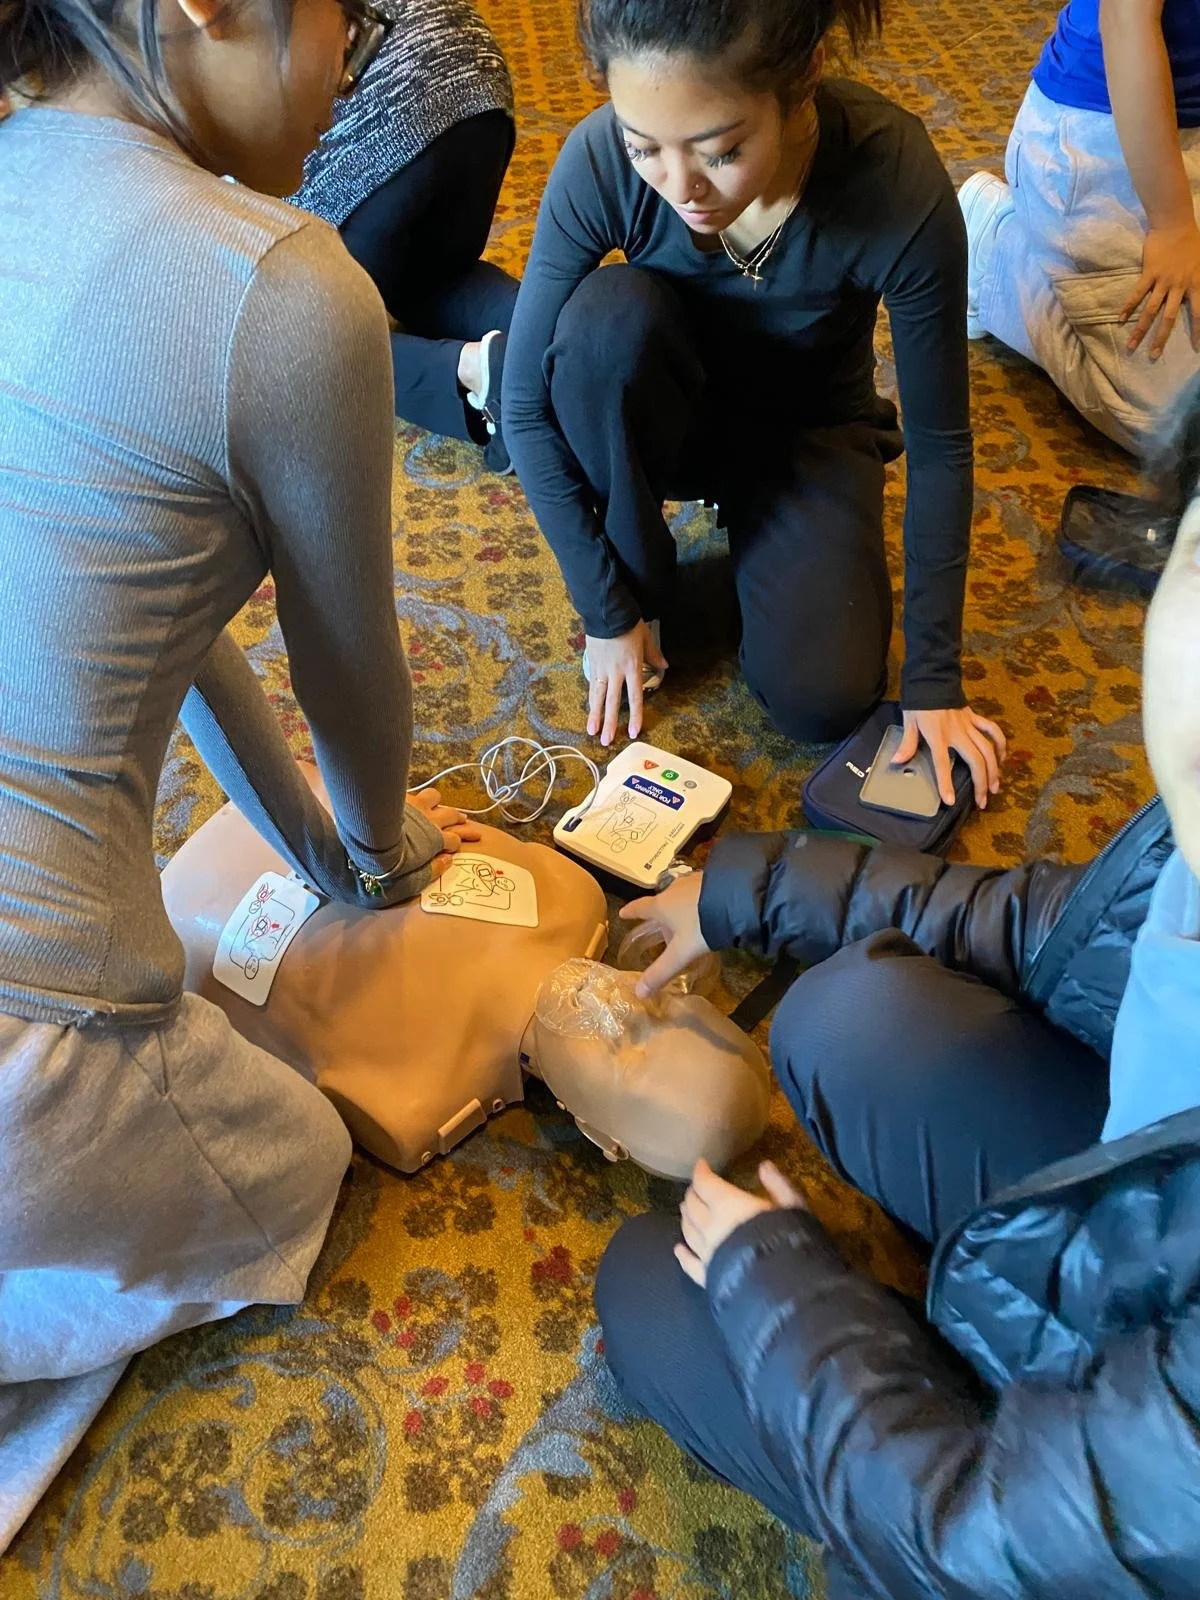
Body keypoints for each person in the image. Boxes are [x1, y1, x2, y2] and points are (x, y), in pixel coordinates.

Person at [0, 0, 477, 1547]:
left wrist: (332, 851)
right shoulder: (287, 286)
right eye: (349, 7)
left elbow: (160, 601)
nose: (354, 51)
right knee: (297, 1164)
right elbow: (353, 669)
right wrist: (383, 844)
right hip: (33, 1040)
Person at [593, 385, 1200, 1595]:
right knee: (845, 1012)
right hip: (1147, 1236)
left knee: (653, 1289)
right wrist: (745, 890)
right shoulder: (1188, 847)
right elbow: (1046, 924)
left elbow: (973, 1540)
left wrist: (786, 1286)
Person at [502, 0, 1006, 813]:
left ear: (801, 81)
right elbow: (522, 408)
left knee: (824, 699)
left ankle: (748, 560)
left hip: (807, 425)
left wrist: (934, 680)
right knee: (601, 327)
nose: (681, 188)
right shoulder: (598, 157)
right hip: (665, 399)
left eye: (723, 150)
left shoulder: (892, 175)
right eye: (645, 149)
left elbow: (944, 444)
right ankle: (656, 571)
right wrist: (609, 610)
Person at [959, 0, 1200, 452]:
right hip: (1104, 128)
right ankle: (994, 247)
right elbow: (1126, 21)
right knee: (1177, 431)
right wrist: (1173, 225)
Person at [291, 0, 519, 471]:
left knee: (295, 328)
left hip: (386, 102)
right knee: (429, 278)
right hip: (476, 73)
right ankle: (558, 338)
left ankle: (475, 373)